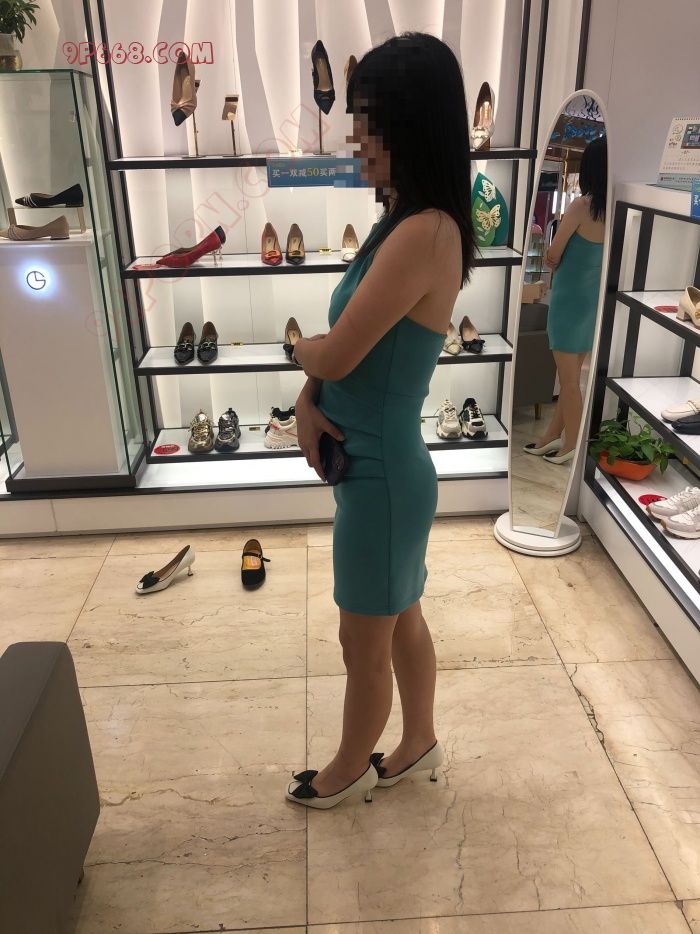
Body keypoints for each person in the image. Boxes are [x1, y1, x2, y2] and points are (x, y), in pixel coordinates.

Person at [287, 33, 475, 809]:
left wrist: (298, 352)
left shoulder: (425, 232)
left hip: (383, 477)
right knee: (399, 622)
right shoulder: (406, 219)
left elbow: (336, 353)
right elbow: (344, 356)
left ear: (409, 126)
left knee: (361, 639)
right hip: (375, 468)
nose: (354, 137)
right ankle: (419, 741)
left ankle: (345, 769)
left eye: (367, 121)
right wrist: (309, 398)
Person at [529, 136, 607, 465]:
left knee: (569, 381)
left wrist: (554, 257)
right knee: (571, 376)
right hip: (590, 300)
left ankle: (572, 444)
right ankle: (552, 435)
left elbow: (553, 252)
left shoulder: (581, 206)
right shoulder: (611, 208)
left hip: (568, 299)